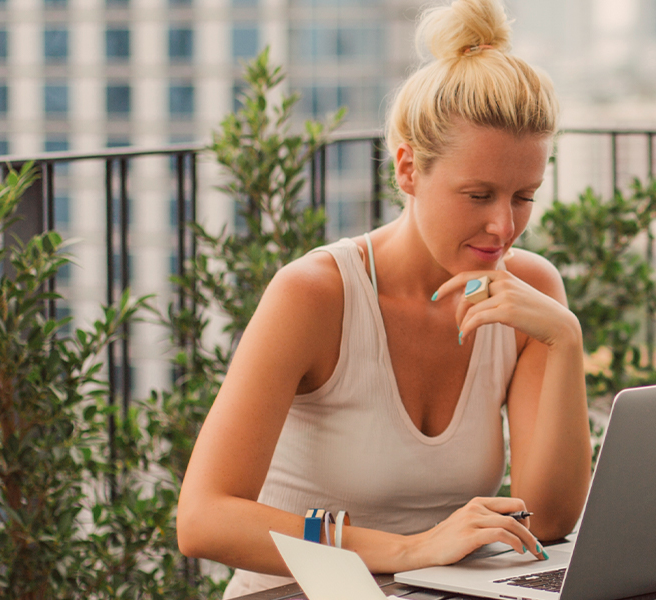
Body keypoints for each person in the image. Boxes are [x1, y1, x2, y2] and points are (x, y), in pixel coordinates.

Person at [175, 0, 590, 595]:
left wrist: (565, 337)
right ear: (408, 169)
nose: (504, 226)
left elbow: (545, 520)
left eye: (524, 196)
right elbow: (204, 519)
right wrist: (411, 550)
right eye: (478, 195)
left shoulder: (531, 296)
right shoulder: (315, 294)